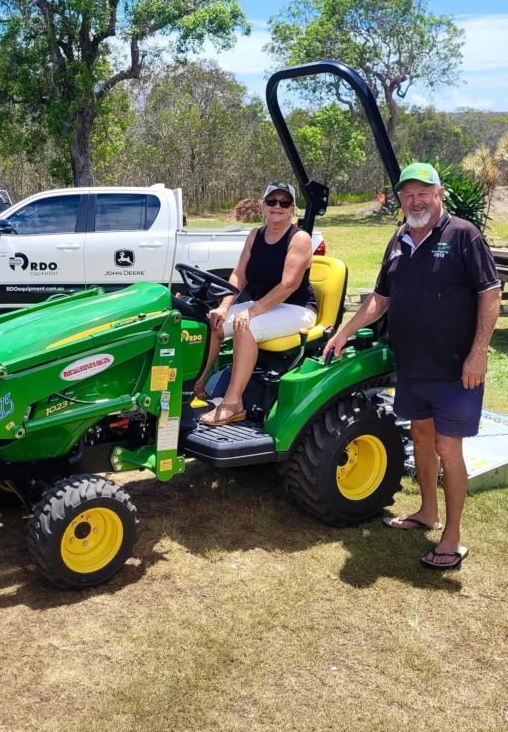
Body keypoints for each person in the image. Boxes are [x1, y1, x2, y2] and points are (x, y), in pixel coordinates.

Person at [323, 163, 501, 570]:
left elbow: (490, 294)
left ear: (439, 194)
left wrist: (479, 353)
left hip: (457, 369)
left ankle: (452, 538)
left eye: (424, 192)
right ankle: (427, 511)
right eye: (408, 195)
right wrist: (346, 331)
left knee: (447, 448)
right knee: (421, 438)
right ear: (400, 200)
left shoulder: (463, 235)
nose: (416, 201)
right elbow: (380, 299)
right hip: (413, 366)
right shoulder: (400, 238)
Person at [195, 181, 318, 426]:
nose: (277, 206)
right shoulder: (255, 235)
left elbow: (289, 285)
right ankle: (197, 388)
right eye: (272, 201)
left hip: (297, 308)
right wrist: (224, 306)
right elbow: (240, 273)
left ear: (292, 208)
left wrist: (251, 312)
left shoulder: (299, 238)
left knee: (244, 327)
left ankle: (233, 403)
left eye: (284, 203)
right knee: (213, 324)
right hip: (264, 305)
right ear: (262, 205)